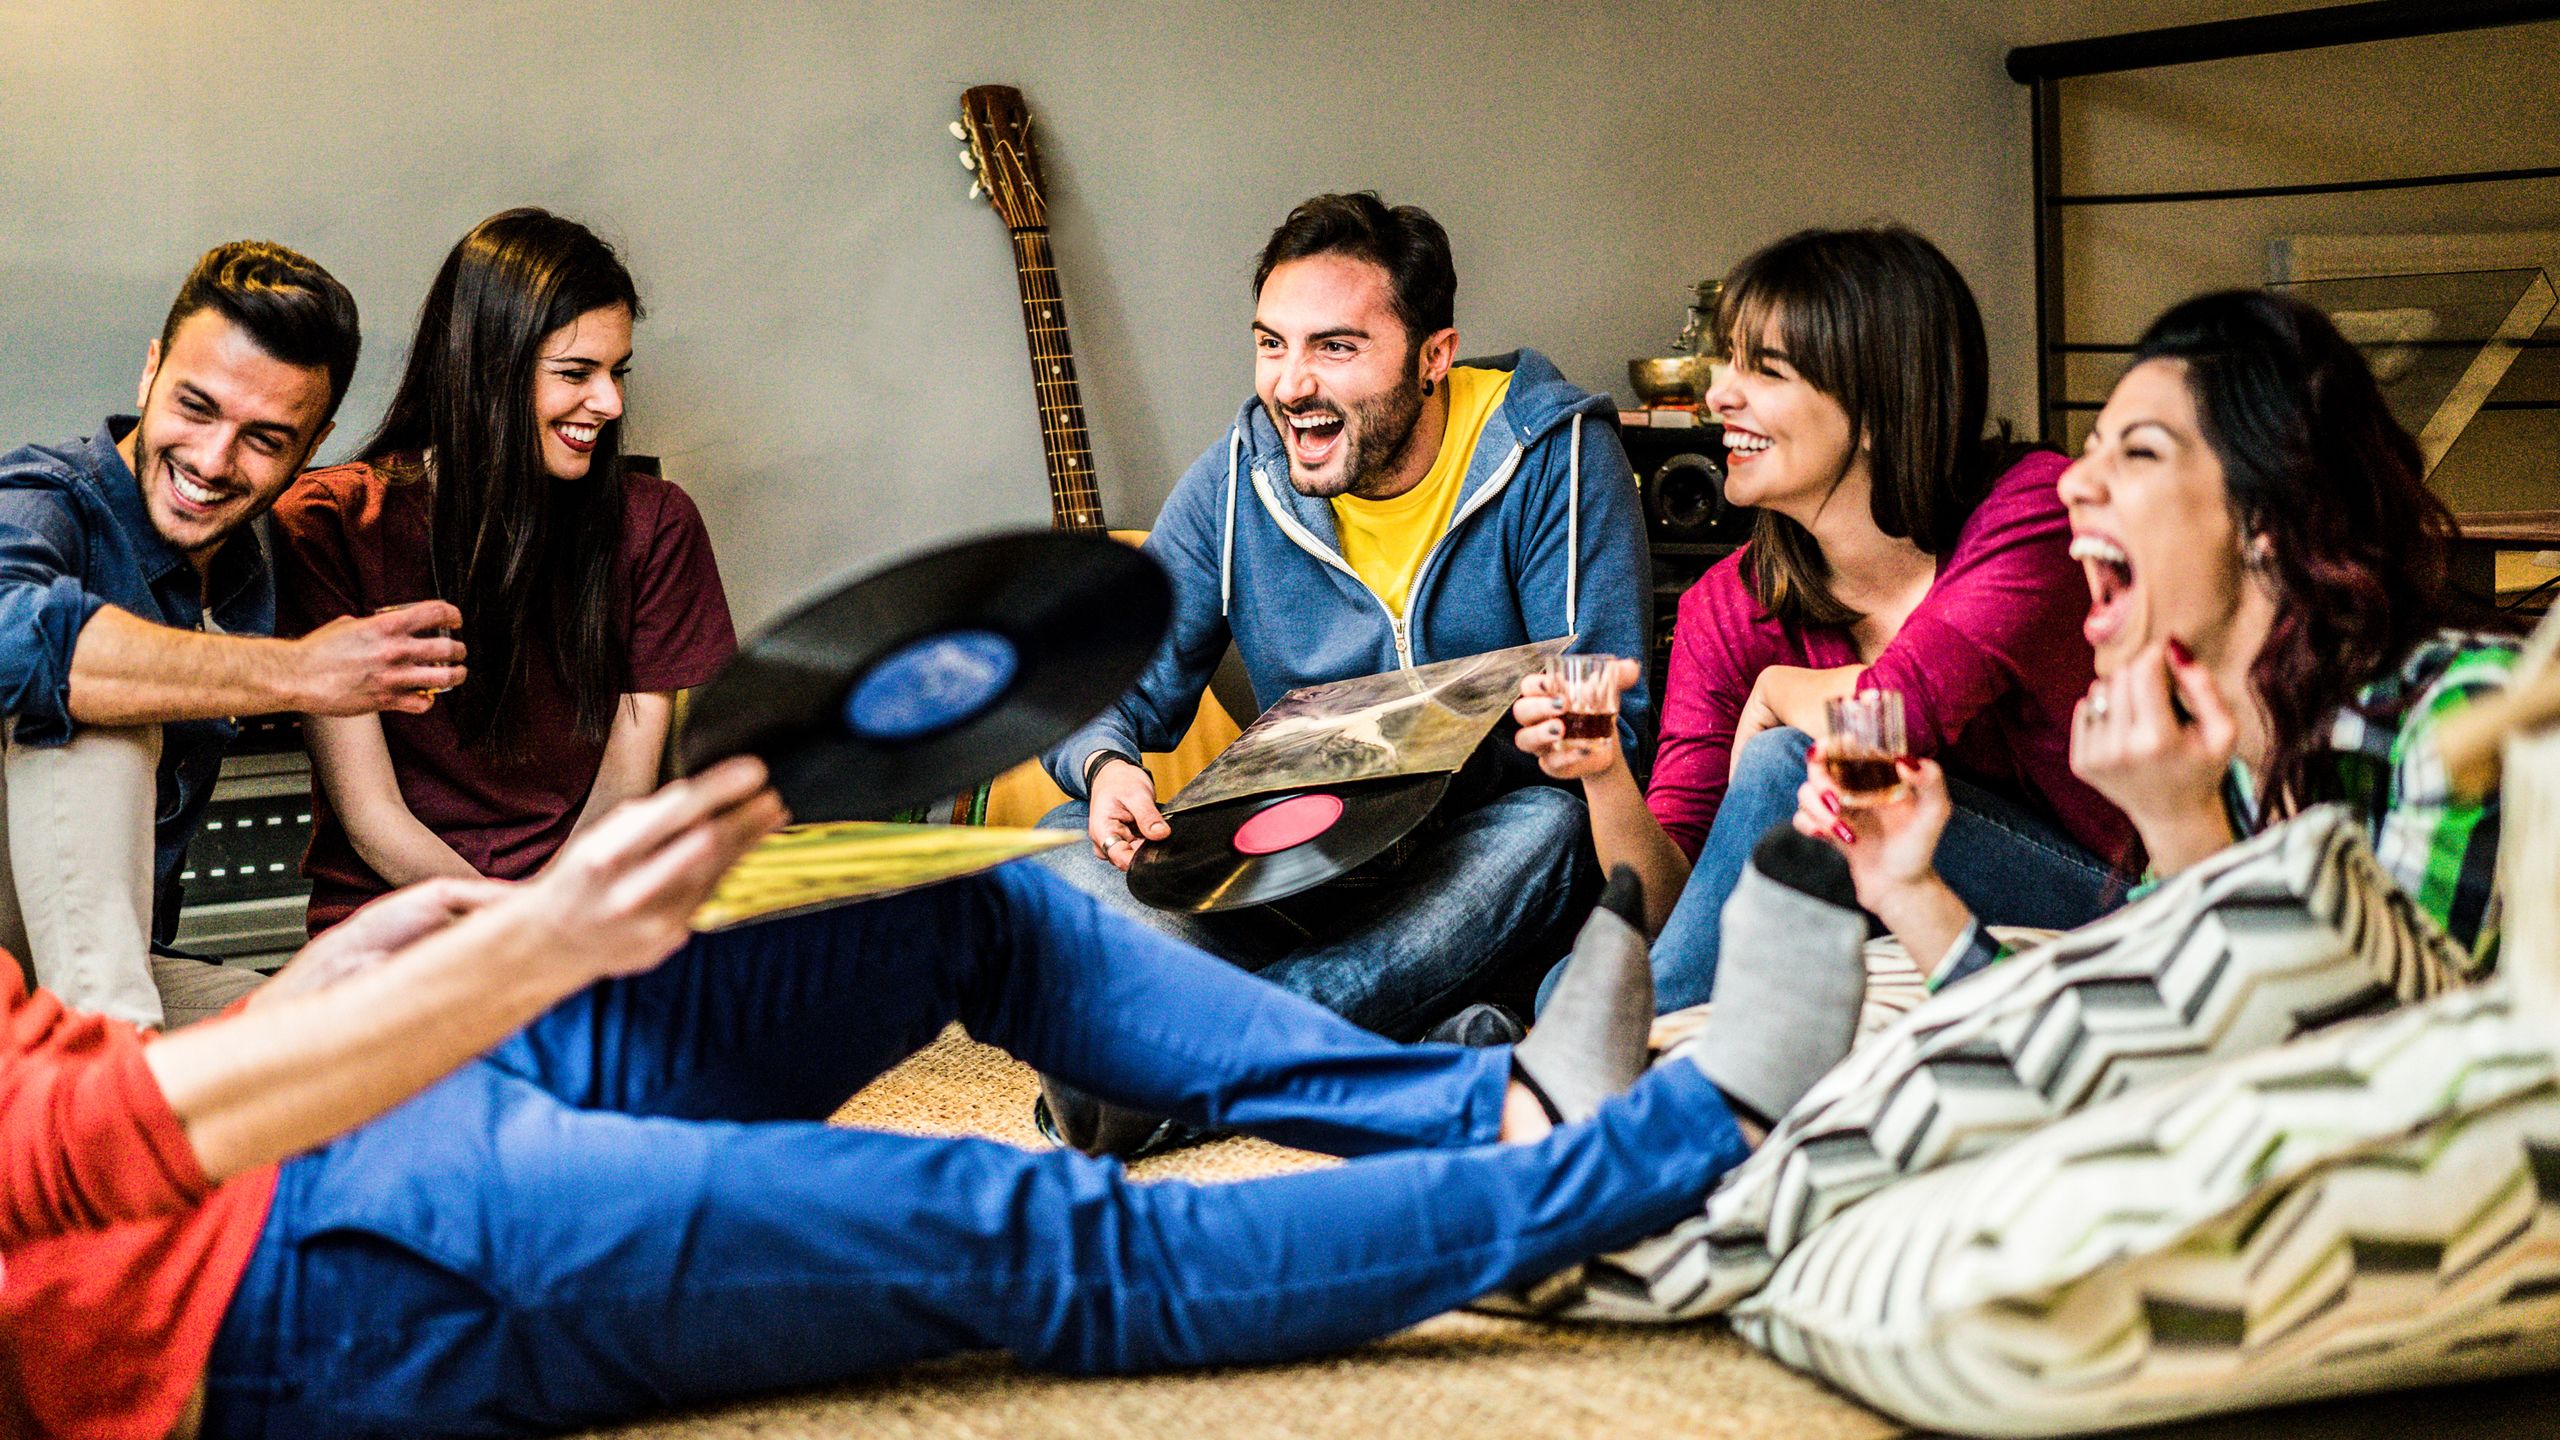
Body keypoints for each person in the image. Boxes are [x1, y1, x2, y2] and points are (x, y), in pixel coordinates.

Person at [0, 749, 1883, 1440]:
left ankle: (1488, 1127)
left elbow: (72, 1079)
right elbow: (75, 1160)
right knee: (1025, 1234)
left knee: (970, 911)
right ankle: (1665, 1155)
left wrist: (309, 997)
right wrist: (529, 941)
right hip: (269, 1295)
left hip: (297, 1095)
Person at [1507, 292, 2539, 1438]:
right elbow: (2133, 1029)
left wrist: (2180, 825)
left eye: (2135, 453)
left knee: (1775, 788)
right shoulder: (2225, 749)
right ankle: (1592, 1110)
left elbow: (2360, 1091)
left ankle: (1589, 1108)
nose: (2076, 487)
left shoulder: (2463, 720)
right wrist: (1910, 888)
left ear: (2267, 514)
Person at [1032, 193, 1653, 1151]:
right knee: (1057, 850)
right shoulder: (1239, 478)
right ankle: (1428, 1047)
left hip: (1470, 868)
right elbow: (1110, 680)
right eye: (1271, 344)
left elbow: (1622, 726)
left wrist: (1563, 731)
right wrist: (1108, 766)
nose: (1289, 384)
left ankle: (1175, 1076)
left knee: (1557, 828)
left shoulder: (1554, 457)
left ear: (1434, 356)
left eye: (1334, 347)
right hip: (1289, 872)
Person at [1513, 225, 2129, 1012]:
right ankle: (1582, 1027)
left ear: (1876, 406)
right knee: (1590, 974)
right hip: (1884, 885)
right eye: (1728, 361)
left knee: (1786, 764)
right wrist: (1602, 775)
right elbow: (1677, 906)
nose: (1719, 395)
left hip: (2097, 889)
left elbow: (1896, 714)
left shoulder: (2033, 508)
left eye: (1763, 371)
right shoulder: (1728, 606)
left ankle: (1569, 1044)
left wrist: (1775, 691)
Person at [0, 243, 465, 1028]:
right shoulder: (47, 498)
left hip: (112, 971)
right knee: (100, 694)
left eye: (265, 439)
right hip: (29, 972)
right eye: (196, 407)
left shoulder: (261, 562)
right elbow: (17, 643)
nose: (213, 461)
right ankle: (107, 1104)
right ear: (150, 372)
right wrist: (296, 671)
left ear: (310, 448)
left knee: (355, 1035)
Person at [272, 209, 735, 935]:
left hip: (586, 902)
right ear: (486, 367)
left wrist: (552, 919)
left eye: (617, 373)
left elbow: (623, 786)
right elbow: (371, 815)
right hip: (397, 919)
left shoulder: (656, 525)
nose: (610, 403)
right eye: (577, 373)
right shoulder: (329, 521)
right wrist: (509, 930)